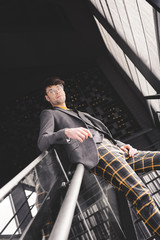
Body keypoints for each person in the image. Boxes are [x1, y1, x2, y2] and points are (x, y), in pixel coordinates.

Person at [37, 76, 160, 239]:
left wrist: (121, 144)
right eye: (51, 91)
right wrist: (66, 133)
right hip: (100, 153)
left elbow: (102, 133)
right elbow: (43, 141)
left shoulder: (79, 113)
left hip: (117, 150)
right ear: (48, 98)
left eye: (59, 88)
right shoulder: (49, 113)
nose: (57, 92)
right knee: (140, 192)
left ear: (64, 90)